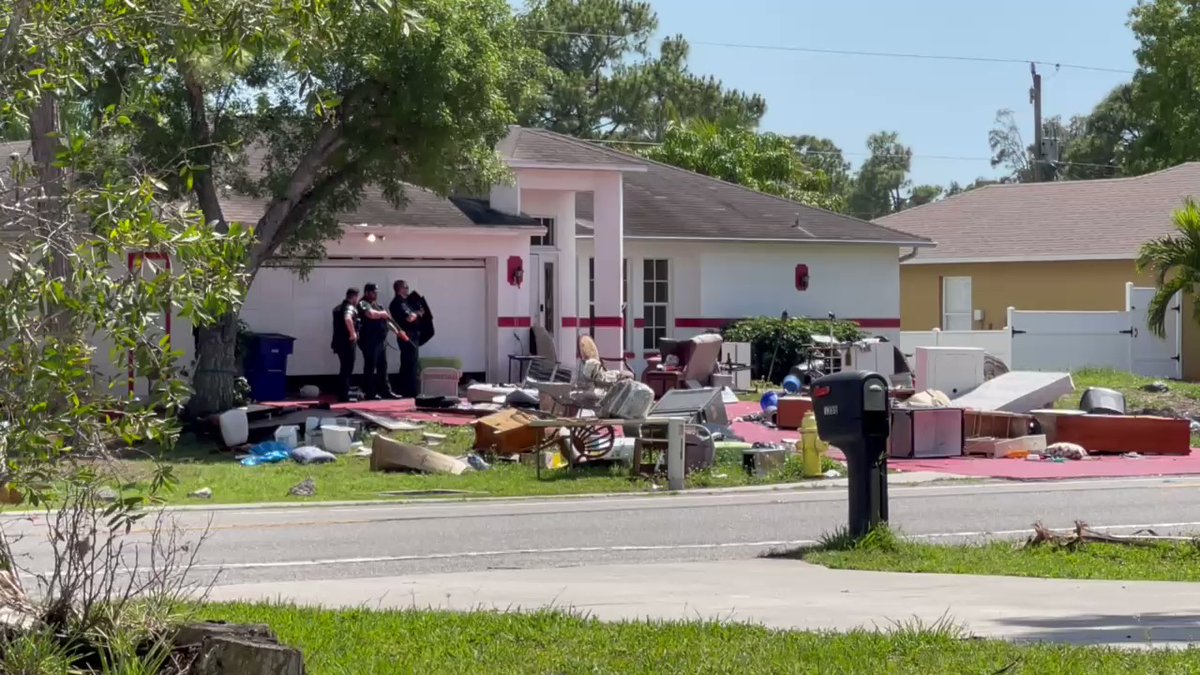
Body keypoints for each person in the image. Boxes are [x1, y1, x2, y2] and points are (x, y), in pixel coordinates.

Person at [357, 282, 406, 400]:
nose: (375, 294)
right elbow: (370, 314)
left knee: (382, 367)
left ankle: (385, 391)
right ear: (367, 292)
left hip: (380, 341)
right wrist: (382, 314)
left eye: (376, 292)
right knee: (370, 366)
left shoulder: (378, 305)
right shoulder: (363, 303)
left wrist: (398, 332)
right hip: (369, 340)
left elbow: (388, 322)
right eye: (373, 292)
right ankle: (369, 392)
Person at [389, 279, 424, 398]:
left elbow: (421, 310)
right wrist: (415, 314)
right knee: (409, 362)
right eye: (406, 287)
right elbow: (408, 318)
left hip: (414, 334)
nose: (407, 290)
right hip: (406, 335)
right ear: (400, 289)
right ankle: (408, 390)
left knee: (412, 362)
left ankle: (409, 389)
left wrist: (416, 313)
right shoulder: (396, 303)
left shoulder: (409, 301)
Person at [330, 287, 361, 402]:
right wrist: (353, 333)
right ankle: (344, 395)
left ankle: (342, 393)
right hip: (347, 343)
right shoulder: (349, 307)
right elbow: (348, 318)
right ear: (354, 297)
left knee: (344, 368)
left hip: (338, 342)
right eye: (357, 297)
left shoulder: (337, 308)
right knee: (347, 369)